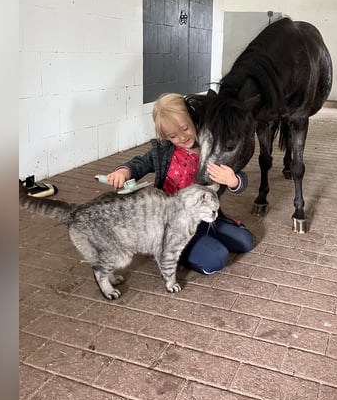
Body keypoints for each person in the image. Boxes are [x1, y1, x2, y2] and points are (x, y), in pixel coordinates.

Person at [104, 92, 254, 274]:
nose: (182, 137)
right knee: (217, 258)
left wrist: (233, 180)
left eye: (185, 128)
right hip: (175, 223)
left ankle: (202, 237)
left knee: (245, 241)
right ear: (165, 136)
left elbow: (240, 177)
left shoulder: (211, 147)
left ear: (192, 119)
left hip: (205, 217)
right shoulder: (164, 152)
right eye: (173, 135)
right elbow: (140, 163)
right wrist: (123, 171)